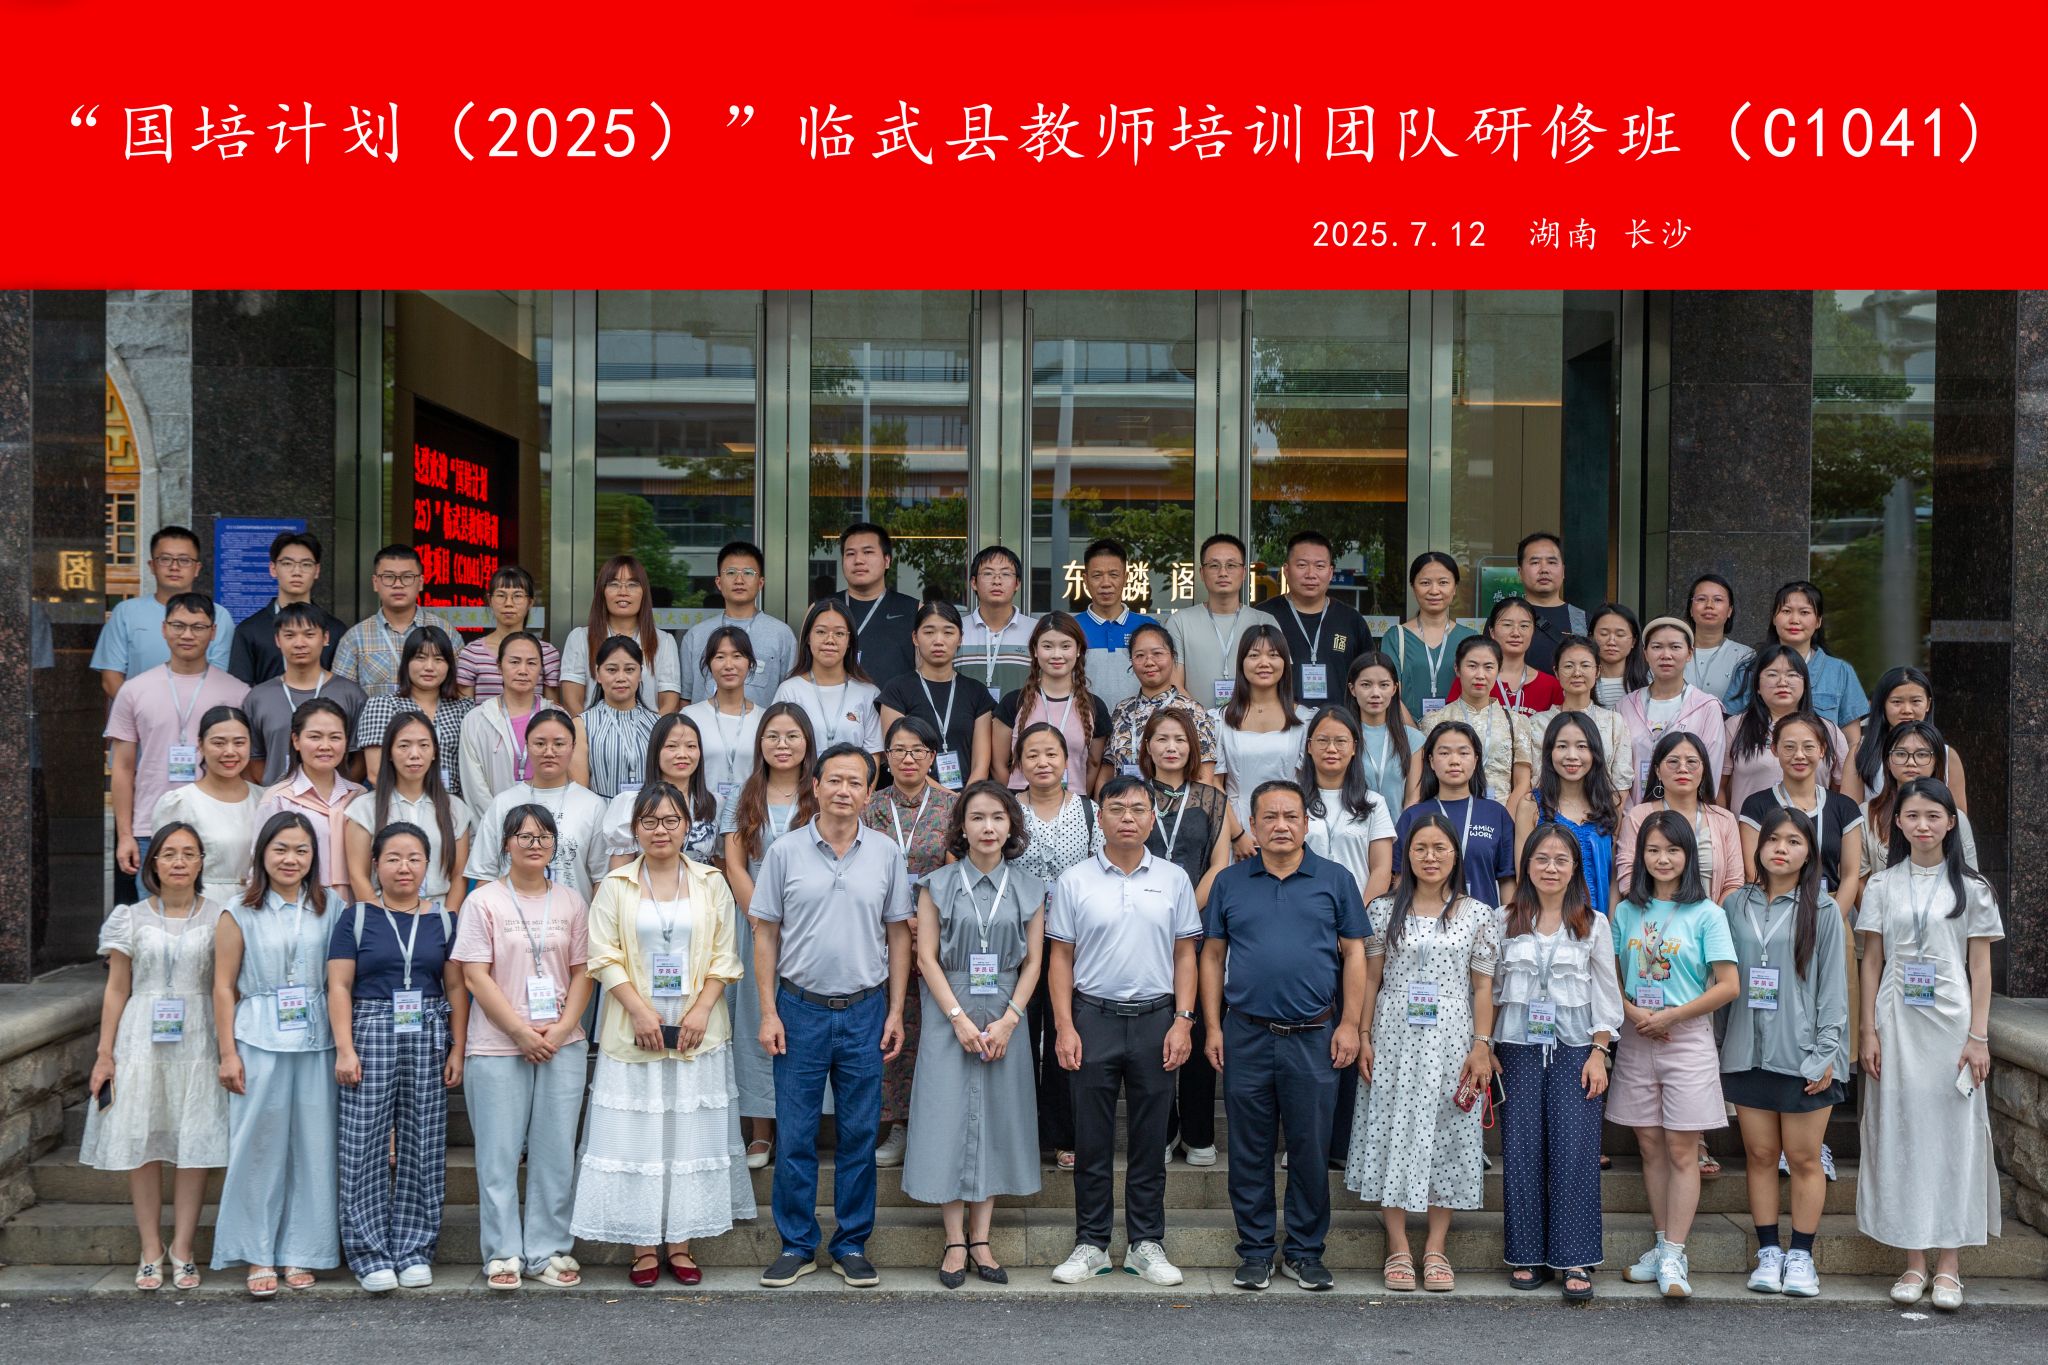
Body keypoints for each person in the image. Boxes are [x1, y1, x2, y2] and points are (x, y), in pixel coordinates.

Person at [574, 783, 754, 1286]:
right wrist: (638, 1010)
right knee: (639, 1137)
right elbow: (602, 954)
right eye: (650, 822)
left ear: (686, 827)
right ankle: (642, 1246)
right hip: (635, 1021)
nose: (661, 830)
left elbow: (725, 953)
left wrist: (701, 1010)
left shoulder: (711, 881)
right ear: (635, 829)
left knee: (687, 1133)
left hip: (698, 1023)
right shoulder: (616, 885)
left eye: (671, 820)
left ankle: (681, 1243)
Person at [751, 744, 914, 1289]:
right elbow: (766, 935)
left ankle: (851, 1244)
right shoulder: (784, 852)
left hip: (866, 1010)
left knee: (858, 1134)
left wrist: (895, 1010)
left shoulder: (886, 853)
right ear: (815, 786)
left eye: (856, 782)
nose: (844, 791)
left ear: (869, 794)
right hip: (799, 1010)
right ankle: (796, 1244)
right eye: (835, 780)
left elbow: (898, 935)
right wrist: (768, 1011)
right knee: (796, 1134)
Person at [1203, 780, 1369, 1292]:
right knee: (1248, 1150)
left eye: (1290, 816)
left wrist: (1350, 1024)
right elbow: (1212, 955)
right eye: (1269, 817)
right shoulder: (1230, 882)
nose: (1280, 826)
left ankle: (1304, 1252)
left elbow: (1355, 954)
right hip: (1246, 1034)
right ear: (1252, 825)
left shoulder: (1335, 879)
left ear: (1306, 823)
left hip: (1315, 1036)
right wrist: (1212, 1026)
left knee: (1310, 1149)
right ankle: (1255, 1252)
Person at [1045, 775, 1201, 1287]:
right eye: (1116, 809)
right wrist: (1064, 1026)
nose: (1127, 818)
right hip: (1093, 1018)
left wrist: (1183, 1020)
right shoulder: (1075, 880)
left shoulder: (1174, 879)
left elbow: (1185, 953)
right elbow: (1061, 958)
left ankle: (1145, 1244)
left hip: (1157, 1019)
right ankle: (1091, 1244)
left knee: (1150, 1140)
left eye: (1137, 809)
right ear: (1101, 818)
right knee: (1091, 1140)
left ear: (1152, 818)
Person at [1856, 779, 2003, 1312]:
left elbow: (1981, 968)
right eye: (1913, 815)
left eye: (1933, 816)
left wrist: (1979, 1037)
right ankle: (1914, 1260)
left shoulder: (1973, 888)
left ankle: (1949, 1266)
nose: (1923, 825)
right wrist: (1868, 1030)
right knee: (1902, 1132)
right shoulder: (1882, 885)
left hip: (1953, 1028)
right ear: (1897, 822)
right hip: (1896, 1021)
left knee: (1954, 1138)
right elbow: (1871, 961)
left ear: (1950, 823)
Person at [1344, 813, 1500, 1294]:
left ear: (1456, 855)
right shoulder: (1382, 911)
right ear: (1406, 856)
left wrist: (1482, 1046)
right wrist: (1364, 1034)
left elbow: (1482, 988)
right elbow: (1371, 978)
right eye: (1420, 849)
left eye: (1440, 848)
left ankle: (1435, 1247)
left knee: (1448, 1134)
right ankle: (1397, 1245)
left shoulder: (1477, 913)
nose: (1430, 857)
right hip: (1393, 1035)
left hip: (1453, 1039)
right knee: (1390, 1129)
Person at [902, 782, 1047, 1287]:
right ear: (961, 826)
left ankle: (981, 1239)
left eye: (998, 818)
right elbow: (926, 957)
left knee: (997, 1120)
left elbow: (1034, 962)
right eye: (978, 818)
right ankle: (954, 1240)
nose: (988, 827)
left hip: (1007, 1011)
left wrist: (1010, 1019)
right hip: (950, 1011)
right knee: (946, 1119)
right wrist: (958, 1018)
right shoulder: (936, 884)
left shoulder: (1029, 887)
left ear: (1011, 827)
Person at [81, 824, 227, 1292]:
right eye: (168, 853)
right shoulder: (129, 917)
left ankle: (182, 1247)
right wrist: (105, 1054)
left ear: (202, 861)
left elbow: (226, 985)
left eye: (188, 853)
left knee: (193, 1142)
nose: (179, 862)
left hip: (199, 1035)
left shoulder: (221, 915)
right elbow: (116, 989)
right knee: (141, 1142)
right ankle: (150, 1248)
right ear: (153, 863)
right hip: (141, 1037)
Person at [456, 803, 593, 1290]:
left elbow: (583, 972)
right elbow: (474, 976)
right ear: (506, 844)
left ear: (555, 845)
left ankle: (548, 1249)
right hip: (497, 1045)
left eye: (544, 837)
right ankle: (502, 1253)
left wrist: (562, 1029)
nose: (535, 844)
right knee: (498, 1155)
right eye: (524, 836)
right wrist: (518, 1032)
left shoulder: (573, 902)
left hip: (561, 1044)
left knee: (556, 1153)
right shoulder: (483, 901)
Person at [326, 823, 466, 1292]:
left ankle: (413, 1248)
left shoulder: (444, 920)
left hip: (427, 1030)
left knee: (423, 1139)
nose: (403, 867)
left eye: (414, 858)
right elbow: (339, 986)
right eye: (393, 858)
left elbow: (455, 988)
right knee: (363, 1142)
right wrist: (344, 1048)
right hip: (369, 1029)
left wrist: (457, 1047)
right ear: (375, 865)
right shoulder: (356, 918)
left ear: (428, 866)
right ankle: (369, 1254)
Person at [1607, 812, 1740, 1298]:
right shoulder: (1626, 912)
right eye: (1653, 850)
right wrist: (1633, 1012)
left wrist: (1672, 1017)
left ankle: (1674, 1254)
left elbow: (1729, 985)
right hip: (1637, 1036)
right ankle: (1662, 1245)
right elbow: (1611, 976)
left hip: (1685, 1040)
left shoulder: (1707, 914)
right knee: (1649, 1146)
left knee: (1683, 1149)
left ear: (1688, 856)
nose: (1662, 859)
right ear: (1640, 856)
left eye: (1672, 850)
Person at [1720, 807, 1849, 1299]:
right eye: (1773, 839)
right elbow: (1722, 977)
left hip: (1803, 1054)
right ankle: (1769, 1251)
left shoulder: (1824, 910)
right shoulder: (1735, 904)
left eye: (1794, 841)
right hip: (1746, 1050)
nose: (1781, 849)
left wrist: (1826, 1052)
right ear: (1759, 847)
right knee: (1759, 1154)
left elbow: (1834, 987)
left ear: (1809, 852)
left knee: (1803, 1157)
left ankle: (1802, 1256)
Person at [211, 814, 342, 1293]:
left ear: (314, 857)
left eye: (302, 850)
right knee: (258, 1146)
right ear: (263, 852)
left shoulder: (332, 906)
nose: (291, 859)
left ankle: (304, 1250)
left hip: (318, 1037)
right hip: (257, 1036)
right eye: (281, 849)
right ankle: (257, 1251)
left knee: (314, 1146)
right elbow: (223, 986)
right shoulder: (238, 911)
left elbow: (340, 980)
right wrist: (228, 1053)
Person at [1492, 824, 1622, 1300]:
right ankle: (1526, 1253)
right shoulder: (1503, 919)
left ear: (1574, 869)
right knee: (1521, 1149)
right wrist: (1486, 1046)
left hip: (1576, 1050)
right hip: (1516, 1047)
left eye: (1561, 860)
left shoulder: (1594, 923)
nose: (1551, 868)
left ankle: (1574, 1256)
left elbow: (1606, 993)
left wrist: (1600, 1051)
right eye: (1542, 859)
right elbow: (1489, 989)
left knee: (1575, 1151)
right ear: (1527, 865)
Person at [720, 703, 820, 1171]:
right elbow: (734, 864)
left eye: (792, 736)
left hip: (811, 926)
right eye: (773, 736)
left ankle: (802, 1128)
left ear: (807, 743)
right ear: (759, 743)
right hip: (754, 925)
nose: (783, 745)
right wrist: (760, 917)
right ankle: (761, 1131)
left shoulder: (819, 792)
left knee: (806, 1024)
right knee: (757, 1020)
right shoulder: (745, 795)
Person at [108, 592, 252, 905]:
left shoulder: (238, 692)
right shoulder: (134, 690)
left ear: (213, 632)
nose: (187, 635)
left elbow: (248, 766)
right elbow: (122, 767)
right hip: (151, 828)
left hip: (221, 827)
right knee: (160, 921)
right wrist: (125, 834)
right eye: (178, 625)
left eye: (198, 627)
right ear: (164, 629)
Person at [864, 717, 960, 1168]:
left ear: (932, 756)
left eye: (918, 750)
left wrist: (927, 920)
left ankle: (935, 1122)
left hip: (935, 932)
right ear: (886, 757)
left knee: (932, 1028)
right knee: (890, 1023)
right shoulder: (869, 808)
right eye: (899, 750)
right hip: (876, 931)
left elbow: (960, 871)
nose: (908, 758)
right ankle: (897, 1124)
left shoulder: (953, 806)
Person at [1139, 707, 1231, 1166]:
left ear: (1192, 747)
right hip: (1141, 926)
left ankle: (1197, 1130)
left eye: (1179, 739)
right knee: (1153, 1028)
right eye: (1161, 739)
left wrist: (1185, 910)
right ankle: (1163, 1127)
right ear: (1147, 747)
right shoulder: (1133, 795)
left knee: (1195, 1020)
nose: (1171, 747)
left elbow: (1220, 862)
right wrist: (1161, 914)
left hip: (1199, 925)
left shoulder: (1213, 798)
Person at [1011, 721, 1104, 1169]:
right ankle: (1020, 1136)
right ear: (1019, 763)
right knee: (1020, 1037)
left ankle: (1065, 1135)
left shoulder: (1089, 811)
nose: (1043, 762)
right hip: (1017, 943)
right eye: (1032, 754)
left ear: (1067, 760)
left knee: (1067, 1035)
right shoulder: (1006, 810)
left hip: (1074, 943)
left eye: (1052, 753)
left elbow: (1103, 870)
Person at [463, 709, 611, 903]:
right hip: (512, 916)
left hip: (572, 917)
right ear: (527, 746)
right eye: (540, 743)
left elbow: (601, 878)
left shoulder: (592, 805)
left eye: (559, 744)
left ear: (573, 747)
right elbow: (484, 875)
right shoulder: (504, 803)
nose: (549, 752)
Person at [345, 710, 471, 914]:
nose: (414, 754)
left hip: (437, 914)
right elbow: (358, 875)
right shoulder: (364, 808)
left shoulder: (455, 808)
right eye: (404, 745)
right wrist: (379, 920)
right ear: (389, 753)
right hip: (383, 913)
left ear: (434, 752)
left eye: (424, 745)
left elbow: (458, 876)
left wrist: (447, 919)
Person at [93, 525, 234, 698]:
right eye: (165, 559)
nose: (174, 567)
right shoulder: (126, 612)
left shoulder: (219, 615)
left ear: (197, 568)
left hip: (199, 711)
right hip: (138, 712)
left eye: (184, 560)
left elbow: (219, 676)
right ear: (152, 566)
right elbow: (111, 678)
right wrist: (141, 711)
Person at [1738, 714, 1865, 904]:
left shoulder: (1845, 808)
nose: (1799, 755)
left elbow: (1850, 876)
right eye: (1789, 747)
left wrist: (1832, 918)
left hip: (1830, 905)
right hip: (1773, 907)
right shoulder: (1756, 806)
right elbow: (1754, 873)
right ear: (1775, 749)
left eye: (1808, 747)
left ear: (1822, 750)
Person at [1211, 623, 1315, 847]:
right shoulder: (1219, 720)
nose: (1264, 663)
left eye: (1273, 655)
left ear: (1285, 662)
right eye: (1254, 655)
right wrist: (1237, 835)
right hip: (1235, 826)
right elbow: (1215, 784)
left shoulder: (1305, 720)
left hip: (1289, 828)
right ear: (1241, 662)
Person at [1616, 731, 1745, 909]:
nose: (1683, 768)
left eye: (1691, 761)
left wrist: (1709, 918)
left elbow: (1734, 883)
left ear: (1704, 770)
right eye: (1673, 761)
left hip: (1709, 921)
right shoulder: (1638, 816)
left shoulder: (1725, 820)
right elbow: (1627, 878)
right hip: (1652, 921)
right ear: (1657, 771)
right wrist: (1664, 916)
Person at [243, 603, 370, 785]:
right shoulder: (258, 697)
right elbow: (254, 757)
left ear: (325, 638)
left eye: (309, 635)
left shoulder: (351, 694)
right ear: (277, 640)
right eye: (290, 635)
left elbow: (361, 758)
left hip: (336, 799)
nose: (300, 643)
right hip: (277, 798)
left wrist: (340, 792)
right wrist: (277, 791)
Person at [1733, 581, 1870, 747]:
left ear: (1818, 621)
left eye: (1804, 612)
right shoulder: (1749, 669)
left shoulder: (1840, 671)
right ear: (1774, 618)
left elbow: (1852, 742)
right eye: (1786, 611)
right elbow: (1732, 733)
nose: (1794, 620)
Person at [878, 600, 997, 789]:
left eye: (948, 632)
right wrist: (947, 798)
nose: (938, 641)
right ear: (915, 638)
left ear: (960, 638)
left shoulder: (977, 692)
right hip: (914, 795)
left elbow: (981, 765)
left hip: (968, 797)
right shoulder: (896, 690)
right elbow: (896, 757)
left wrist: (967, 799)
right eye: (929, 632)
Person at [1513, 710, 1625, 912]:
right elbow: (1524, 876)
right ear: (1549, 752)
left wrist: (1609, 924)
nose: (1572, 756)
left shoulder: (1610, 804)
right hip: (1548, 922)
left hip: (1598, 920)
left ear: (1595, 752)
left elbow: (1614, 876)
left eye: (1582, 746)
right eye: (1562, 746)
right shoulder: (1532, 805)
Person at [1395, 722, 1516, 907]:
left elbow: (1507, 879)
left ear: (1476, 760)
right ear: (1431, 761)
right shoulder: (1413, 816)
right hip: (1424, 921)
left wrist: (1510, 923)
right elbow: (1400, 879)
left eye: (1463, 753)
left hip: (1484, 921)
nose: (1454, 761)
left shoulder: (1496, 814)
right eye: (1444, 753)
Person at [254, 698, 365, 900]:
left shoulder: (360, 797)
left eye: (335, 737)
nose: (325, 746)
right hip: (299, 907)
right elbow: (259, 866)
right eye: (315, 737)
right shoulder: (278, 799)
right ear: (296, 740)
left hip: (355, 907)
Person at [150, 704, 261, 905]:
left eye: (239, 743)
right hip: (200, 904)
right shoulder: (179, 802)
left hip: (257, 904)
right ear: (200, 745)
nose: (230, 751)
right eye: (219, 743)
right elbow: (164, 866)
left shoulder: (265, 800)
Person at [1721, 644, 1850, 814]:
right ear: (1757, 686)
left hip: (1812, 828)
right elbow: (1718, 787)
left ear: (1805, 683)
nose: (1782, 682)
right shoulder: (1735, 727)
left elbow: (1843, 789)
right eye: (1772, 674)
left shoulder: (1828, 731)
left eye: (1792, 674)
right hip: (1750, 828)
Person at [992, 612, 1110, 795]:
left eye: (1065, 646)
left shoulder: (1094, 706)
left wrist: (1077, 802)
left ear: (1078, 650)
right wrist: (1014, 802)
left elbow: (1093, 765)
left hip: (1073, 805)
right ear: (1035, 650)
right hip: (1022, 803)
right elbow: (998, 764)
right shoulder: (1014, 702)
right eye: (1047, 646)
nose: (1056, 654)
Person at [1255, 531, 1376, 709]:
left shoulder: (1351, 620)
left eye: (1319, 566)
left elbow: (1369, 677)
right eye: (1302, 565)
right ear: (1286, 570)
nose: (1311, 574)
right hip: (1278, 721)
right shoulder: (1263, 617)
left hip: (1339, 722)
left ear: (1330, 572)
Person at [353, 626, 473, 797]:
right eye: (420, 658)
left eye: (439, 659)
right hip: (400, 805)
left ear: (449, 666)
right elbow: (376, 773)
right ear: (406, 663)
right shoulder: (383, 706)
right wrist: (416, 806)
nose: (429, 667)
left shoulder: (464, 708)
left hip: (454, 805)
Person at [331, 545, 463, 698]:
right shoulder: (355, 638)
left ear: (420, 582)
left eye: (407, 577)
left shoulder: (446, 632)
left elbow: (461, 689)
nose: (398, 584)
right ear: (375, 582)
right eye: (389, 577)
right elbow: (341, 697)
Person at [676, 540, 798, 706]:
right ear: (719, 582)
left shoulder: (781, 635)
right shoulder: (696, 635)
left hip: (762, 723)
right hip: (703, 723)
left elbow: (790, 698)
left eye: (748, 573)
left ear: (760, 583)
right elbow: (685, 698)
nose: (739, 580)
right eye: (731, 572)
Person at [559, 553, 682, 716]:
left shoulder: (664, 642)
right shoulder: (580, 638)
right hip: (589, 731)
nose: (623, 592)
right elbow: (571, 701)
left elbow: (670, 703)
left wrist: (649, 731)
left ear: (644, 592)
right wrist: (588, 729)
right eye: (614, 584)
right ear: (602, 592)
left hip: (650, 731)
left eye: (632, 584)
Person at [1618, 616, 1728, 797]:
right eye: (1657, 647)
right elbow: (1617, 771)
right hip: (1635, 810)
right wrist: (1631, 812)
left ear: (1689, 653)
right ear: (1645, 653)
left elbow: (1711, 771)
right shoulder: (1626, 705)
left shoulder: (1707, 707)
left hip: (1687, 811)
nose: (1666, 655)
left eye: (1675, 647)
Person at [1422, 635, 1532, 811]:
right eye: (1472, 666)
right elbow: (1426, 776)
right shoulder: (1435, 720)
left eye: (1488, 667)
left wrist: (1505, 818)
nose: (1480, 675)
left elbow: (1523, 782)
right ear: (1457, 669)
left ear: (1499, 670)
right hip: (1447, 814)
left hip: (1502, 812)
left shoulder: (1516, 722)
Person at [227, 530, 347, 686]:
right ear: (273, 568)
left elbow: (342, 687)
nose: (297, 572)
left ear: (317, 570)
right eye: (287, 563)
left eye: (306, 564)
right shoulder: (249, 630)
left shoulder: (335, 629)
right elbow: (240, 689)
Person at [1104, 621, 1218, 783]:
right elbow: (1108, 768)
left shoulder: (1194, 711)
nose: (1149, 662)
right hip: (1125, 798)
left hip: (1178, 799)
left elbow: (1204, 777)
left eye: (1157, 653)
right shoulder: (1122, 710)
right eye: (1140, 655)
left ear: (1173, 656)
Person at [456, 632, 552, 825]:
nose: (523, 670)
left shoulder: (555, 717)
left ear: (541, 668)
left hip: (548, 827)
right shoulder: (476, 720)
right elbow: (475, 788)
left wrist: (543, 828)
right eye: (514, 662)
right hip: (492, 826)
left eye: (531, 663)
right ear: (499, 666)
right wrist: (502, 828)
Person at [1843, 666, 1971, 809]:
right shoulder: (1861, 752)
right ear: (1882, 704)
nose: (1907, 710)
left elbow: (1958, 815)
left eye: (1916, 701)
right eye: (1897, 702)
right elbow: (1849, 814)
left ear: (1928, 704)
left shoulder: (1948, 755)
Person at [1861, 720, 1979, 874]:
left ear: (1936, 761)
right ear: (1888, 761)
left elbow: (1970, 877)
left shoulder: (1955, 817)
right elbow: (1859, 879)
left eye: (1922, 754)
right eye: (1901, 754)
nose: (1911, 762)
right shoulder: (1866, 813)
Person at [604, 712, 721, 868]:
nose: (682, 754)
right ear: (656, 751)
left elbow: (722, 865)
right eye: (672, 746)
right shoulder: (631, 803)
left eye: (691, 746)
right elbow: (619, 873)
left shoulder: (714, 803)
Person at [1532, 633, 1636, 802]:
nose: (1577, 673)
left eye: (1585, 665)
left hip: (1602, 813)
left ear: (1598, 671)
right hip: (1549, 812)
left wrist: (1608, 818)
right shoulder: (1538, 723)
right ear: (1556, 672)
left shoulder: (1613, 722)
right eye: (1568, 666)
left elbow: (1621, 784)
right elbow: (1536, 780)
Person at [1166, 533, 1266, 707]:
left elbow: (1276, 681)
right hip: (1194, 721)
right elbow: (1174, 683)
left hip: (1253, 721)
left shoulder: (1263, 621)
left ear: (1244, 572)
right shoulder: (1179, 622)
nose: (1223, 573)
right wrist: (1201, 718)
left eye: (1231, 565)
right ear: (1202, 573)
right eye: (1214, 565)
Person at [775, 597, 884, 755]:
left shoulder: (868, 693)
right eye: (821, 632)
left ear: (849, 640)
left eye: (839, 633)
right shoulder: (789, 691)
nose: (830, 640)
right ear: (808, 637)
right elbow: (778, 750)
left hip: (854, 772)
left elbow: (873, 757)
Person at [1385, 551, 1478, 723]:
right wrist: (1415, 735)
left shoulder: (1470, 638)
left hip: (1459, 732)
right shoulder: (1396, 637)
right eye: (1425, 583)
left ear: (1454, 588)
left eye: (1443, 582)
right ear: (1413, 587)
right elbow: (1390, 694)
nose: (1434, 591)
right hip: (1407, 733)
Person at [684, 626, 767, 809]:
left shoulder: (764, 719)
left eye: (737, 656)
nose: (729, 665)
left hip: (750, 814)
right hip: (701, 814)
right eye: (720, 657)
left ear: (750, 663)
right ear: (709, 664)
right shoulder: (690, 717)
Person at [1071, 537, 1158, 712]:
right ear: (1085, 579)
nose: (1106, 583)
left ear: (1125, 578)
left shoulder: (1149, 628)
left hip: (1139, 724)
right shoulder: (1071, 628)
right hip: (1085, 723)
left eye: (1113, 575)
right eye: (1097, 576)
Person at [570, 636, 661, 799]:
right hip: (601, 813)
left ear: (640, 674)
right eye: (612, 670)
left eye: (629, 670)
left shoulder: (657, 723)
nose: (621, 678)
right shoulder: (582, 725)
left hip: (649, 813)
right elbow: (580, 793)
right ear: (598, 674)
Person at [455, 565, 562, 703]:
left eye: (517, 596)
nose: (508, 603)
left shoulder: (547, 653)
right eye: (501, 595)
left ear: (530, 602)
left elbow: (552, 708)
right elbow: (465, 710)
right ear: (490, 600)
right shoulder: (472, 653)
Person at [1448, 596, 1563, 717]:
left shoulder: (1551, 686)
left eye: (1524, 626)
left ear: (1533, 632)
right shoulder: (1471, 679)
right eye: (1507, 625)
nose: (1516, 633)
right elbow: (1451, 720)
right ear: (1492, 632)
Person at [835, 521, 920, 681]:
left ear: (887, 561)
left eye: (868, 552)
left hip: (893, 698)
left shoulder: (914, 610)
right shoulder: (822, 609)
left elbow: (925, 676)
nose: (858, 560)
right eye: (850, 553)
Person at [960, 544, 1039, 700]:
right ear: (974, 582)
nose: (997, 581)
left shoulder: (1036, 631)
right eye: (988, 573)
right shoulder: (956, 630)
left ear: (1017, 583)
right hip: (966, 715)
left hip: (1021, 715)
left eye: (1005, 574)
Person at [1348, 653, 1423, 812]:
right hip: (1352, 826)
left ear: (1394, 689)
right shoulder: (1342, 737)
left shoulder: (1414, 739)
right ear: (1352, 689)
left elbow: (1413, 799)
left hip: (1399, 826)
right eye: (1366, 685)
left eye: (1384, 685)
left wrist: (1404, 827)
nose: (1375, 693)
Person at [1516, 532, 1588, 674]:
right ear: (1520, 572)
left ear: (1563, 571)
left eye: (1552, 562)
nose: (1544, 570)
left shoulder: (1582, 619)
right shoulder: (1504, 618)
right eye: (1535, 562)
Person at [1683, 573, 1753, 714]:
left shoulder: (1745, 656)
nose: (1709, 605)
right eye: (1701, 599)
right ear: (1691, 609)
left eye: (1718, 600)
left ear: (1729, 611)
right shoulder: (1671, 651)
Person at [1588, 603, 1650, 710]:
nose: (1611, 641)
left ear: (1634, 641)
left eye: (1620, 635)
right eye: (1604, 634)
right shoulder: (1581, 681)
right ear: (1591, 637)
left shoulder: (1649, 681)